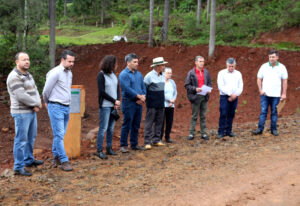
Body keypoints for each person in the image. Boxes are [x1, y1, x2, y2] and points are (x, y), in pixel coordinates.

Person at [6, 52, 43, 176]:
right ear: (17, 62)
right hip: (21, 112)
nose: (27, 62)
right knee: (21, 140)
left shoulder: (28, 75)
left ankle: (28, 160)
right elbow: (21, 96)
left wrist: (38, 102)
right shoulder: (13, 77)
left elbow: (35, 89)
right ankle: (18, 167)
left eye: (28, 59)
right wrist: (35, 104)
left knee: (31, 137)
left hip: (31, 111)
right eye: (23, 60)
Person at [42, 50, 75, 171]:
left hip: (66, 106)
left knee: (60, 134)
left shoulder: (69, 73)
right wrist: (47, 102)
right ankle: (64, 160)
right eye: (69, 61)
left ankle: (55, 156)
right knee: (59, 135)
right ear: (62, 60)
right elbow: (46, 90)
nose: (71, 64)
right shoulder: (55, 72)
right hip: (56, 106)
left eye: (73, 61)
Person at [252, 50, 288, 136]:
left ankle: (273, 130)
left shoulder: (282, 67)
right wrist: (260, 90)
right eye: (270, 57)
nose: (271, 59)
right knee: (263, 111)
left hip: (276, 95)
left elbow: (285, 81)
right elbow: (259, 78)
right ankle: (260, 129)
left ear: (277, 57)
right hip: (265, 94)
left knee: (274, 112)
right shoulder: (264, 66)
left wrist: (284, 93)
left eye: (273, 57)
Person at [119, 53, 146, 153]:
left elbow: (143, 86)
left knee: (136, 124)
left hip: (139, 103)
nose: (137, 64)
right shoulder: (123, 74)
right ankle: (123, 145)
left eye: (137, 62)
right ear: (128, 63)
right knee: (127, 123)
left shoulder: (139, 74)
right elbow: (126, 88)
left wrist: (143, 97)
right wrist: (138, 96)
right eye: (134, 62)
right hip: (128, 103)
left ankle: (134, 144)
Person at [96, 55, 121, 159]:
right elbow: (102, 92)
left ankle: (109, 148)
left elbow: (117, 88)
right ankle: (99, 150)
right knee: (103, 128)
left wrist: (117, 101)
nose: (116, 65)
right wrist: (113, 100)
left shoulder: (114, 74)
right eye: (115, 63)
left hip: (113, 106)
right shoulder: (101, 75)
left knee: (111, 128)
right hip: (105, 106)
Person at [184, 56, 212, 141]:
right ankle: (191, 133)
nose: (202, 63)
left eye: (203, 61)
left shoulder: (206, 72)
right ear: (195, 62)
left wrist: (209, 89)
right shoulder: (191, 73)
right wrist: (195, 89)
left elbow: (210, 83)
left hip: (204, 96)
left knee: (203, 115)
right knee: (194, 116)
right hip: (195, 97)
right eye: (200, 61)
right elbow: (187, 85)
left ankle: (203, 133)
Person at [144, 57, 167, 149]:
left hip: (161, 103)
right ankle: (147, 142)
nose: (164, 66)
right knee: (149, 122)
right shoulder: (148, 76)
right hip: (151, 103)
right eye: (162, 65)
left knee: (159, 122)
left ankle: (156, 140)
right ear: (157, 66)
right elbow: (144, 88)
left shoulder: (163, 75)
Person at [217, 58, 243, 139]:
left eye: (232, 66)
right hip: (224, 96)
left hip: (235, 96)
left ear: (235, 65)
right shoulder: (221, 73)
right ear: (226, 65)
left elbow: (241, 86)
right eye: (229, 66)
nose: (231, 68)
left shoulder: (238, 74)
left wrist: (235, 95)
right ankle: (221, 132)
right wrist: (230, 94)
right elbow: (220, 86)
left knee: (231, 113)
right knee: (223, 113)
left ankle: (229, 131)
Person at [160, 67, 177, 143]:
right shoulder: (161, 82)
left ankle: (167, 136)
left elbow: (175, 92)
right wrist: (169, 100)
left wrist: (173, 100)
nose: (170, 74)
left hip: (171, 105)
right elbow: (161, 93)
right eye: (168, 73)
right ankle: (159, 137)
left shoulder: (172, 82)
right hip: (163, 104)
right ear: (163, 73)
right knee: (161, 122)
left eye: (170, 73)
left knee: (169, 121)